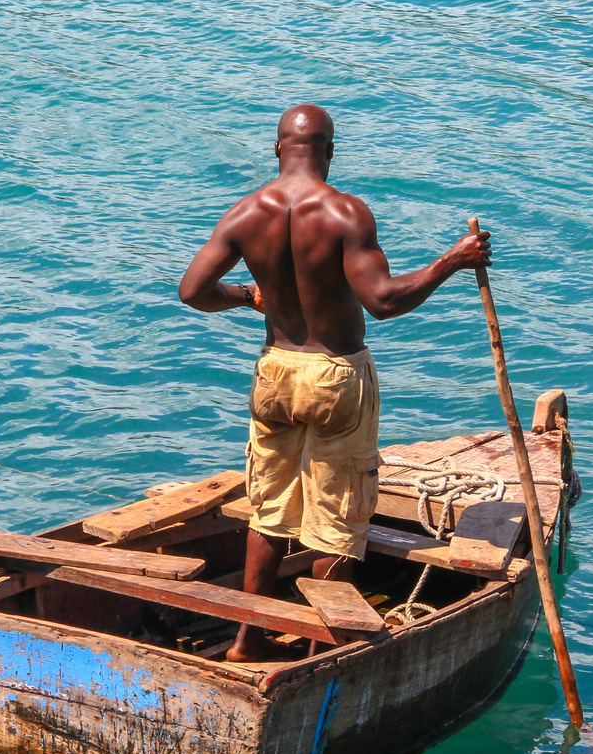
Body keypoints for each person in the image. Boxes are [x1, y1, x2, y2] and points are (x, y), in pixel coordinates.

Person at [177, 104, 491, 662]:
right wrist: (454, 260)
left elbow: (194, 291)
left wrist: (247, 296)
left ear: (277, 149)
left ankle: (248, 641)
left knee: (270, 511)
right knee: (335, 519)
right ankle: (330, 645)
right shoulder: (346, 212)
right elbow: (385, 299)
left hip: (275, 370)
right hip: (335, 375)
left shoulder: (246, 212)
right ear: (330, 151)